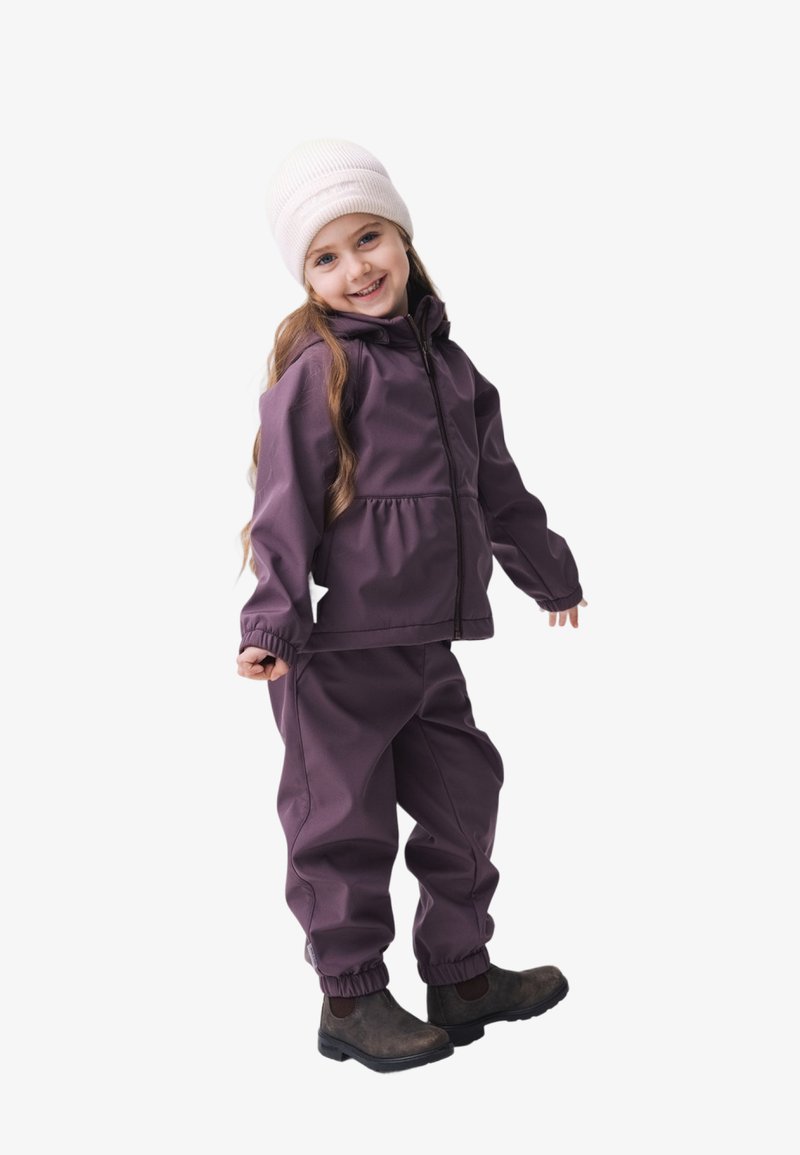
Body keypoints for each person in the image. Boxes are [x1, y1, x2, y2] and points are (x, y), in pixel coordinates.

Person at [236, 138, 587, 1073]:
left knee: (465, 797)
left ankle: (462, 976)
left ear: (402, 238)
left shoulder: (453, 370)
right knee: (342, 824)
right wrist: (271, 621)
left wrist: (548, 572)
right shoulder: (320, 371)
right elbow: (281, 508)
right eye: (326, 256)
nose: (356, 268)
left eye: (368, 239)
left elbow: (497, 484)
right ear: (306, 278)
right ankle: (352, 1000)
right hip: (336, 652)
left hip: (429, 644)